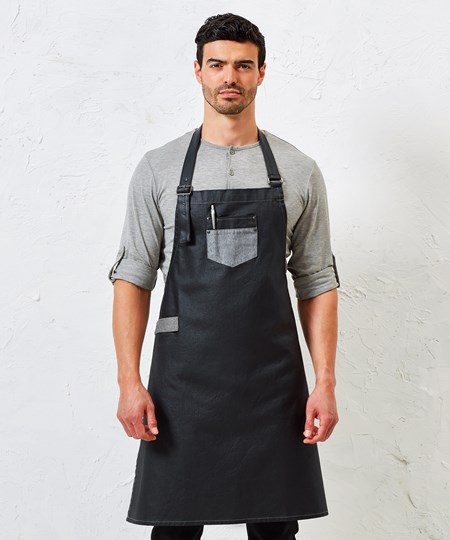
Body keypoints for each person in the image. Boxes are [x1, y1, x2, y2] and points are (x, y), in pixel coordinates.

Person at [109, 12, 340, 540]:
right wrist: (129, 382)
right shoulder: (159, 168)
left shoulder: (299, 170)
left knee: (276, 530)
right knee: (173, 530)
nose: (229, 77)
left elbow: (317, 281)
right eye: (216, 65)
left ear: (262, 72)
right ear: (198, 71)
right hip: (182, 387)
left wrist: (325, 383)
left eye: (242, 65)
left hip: (272, 385)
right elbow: (133, 279)